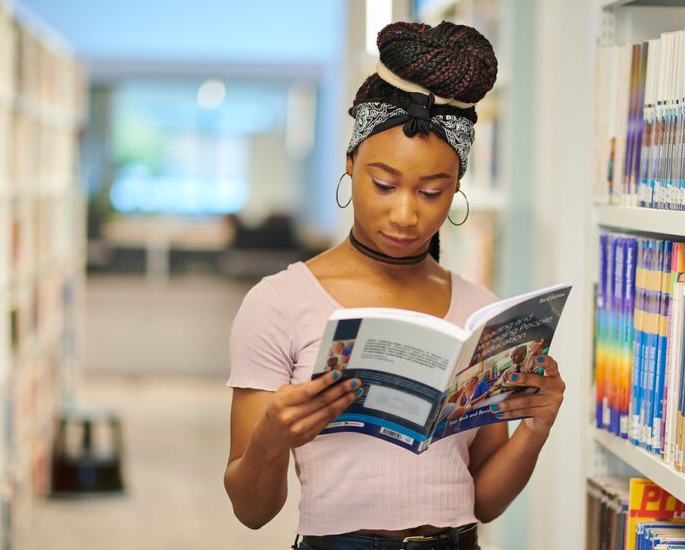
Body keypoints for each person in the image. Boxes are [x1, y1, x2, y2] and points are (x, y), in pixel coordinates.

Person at [224, 21, 566, 550]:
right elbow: (251, 512)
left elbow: (484, 501)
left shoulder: (481, 312)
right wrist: (271, 438)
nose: (405, 214)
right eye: (383, 184)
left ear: (457, 189)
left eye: (432, 191)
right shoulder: (278, 303)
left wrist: (536, 429)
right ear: (350, 164)